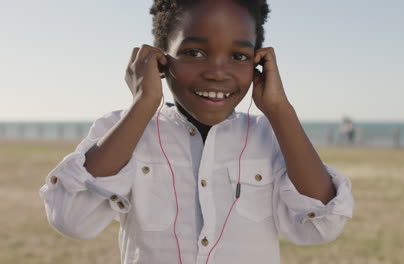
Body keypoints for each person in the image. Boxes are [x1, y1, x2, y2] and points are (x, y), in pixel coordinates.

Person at [39, 1, 354, 263]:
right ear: (159, 59)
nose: (217, 71)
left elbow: (322, 227)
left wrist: (280, 110)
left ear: (258, 63)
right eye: (194, 52)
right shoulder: (122, 130)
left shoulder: (270, 136)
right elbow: (72, 220)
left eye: (239, 56)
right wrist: (143, 103)